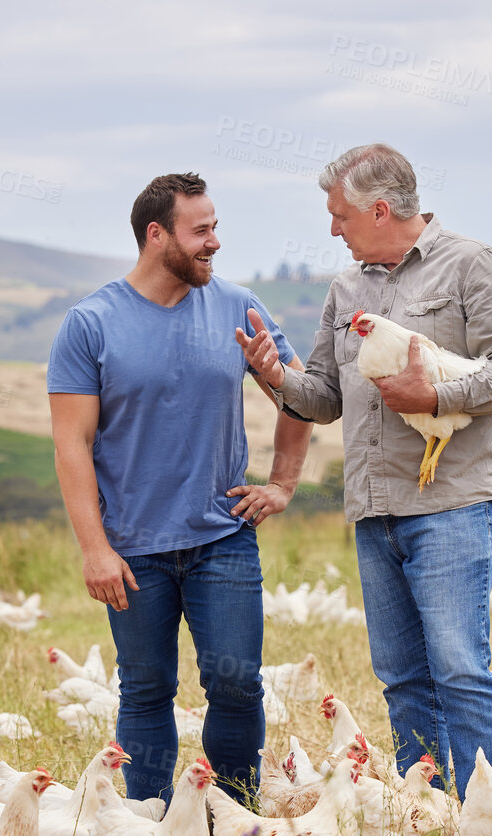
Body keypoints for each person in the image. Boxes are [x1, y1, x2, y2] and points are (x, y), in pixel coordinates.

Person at [236, 144, 492, 796]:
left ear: (378, 208)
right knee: (401, 674)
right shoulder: (347, 288)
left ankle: (486, 822)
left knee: (459, 667)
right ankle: (424, 815)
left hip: (454, 501)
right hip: (375, 508)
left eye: (339, 214)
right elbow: (322, 396)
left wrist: (433, 398)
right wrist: (272, 374)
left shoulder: (470, 266)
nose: (332, 228)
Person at [49, 172, 311, 803]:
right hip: (133, 550)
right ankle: (147, 824)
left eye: (216, 227)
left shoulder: (237, 307)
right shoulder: (91, 324)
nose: (214, 243)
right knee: (145, 690)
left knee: (237, 685)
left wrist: (282, 484)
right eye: (201, 231)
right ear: (156, 234)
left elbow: (303, 395)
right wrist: (94, 548)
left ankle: (234, 818)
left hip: (223, 538)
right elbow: (71, 444)